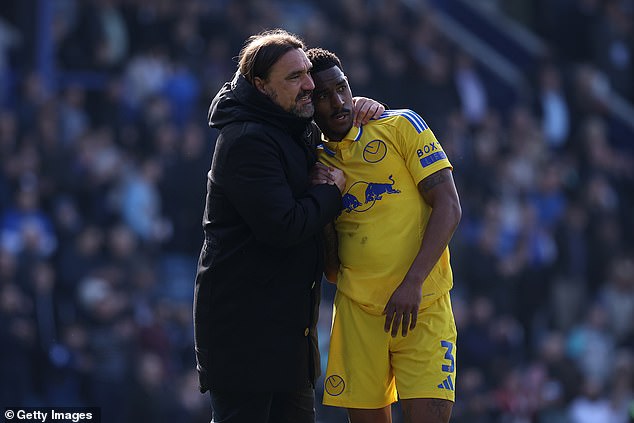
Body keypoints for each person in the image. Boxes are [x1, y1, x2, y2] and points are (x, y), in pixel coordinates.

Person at [193, 29, 384, 423]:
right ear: (261, 86)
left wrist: (361, 107)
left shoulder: (292, 126)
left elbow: (337, 122)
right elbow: (284, 225)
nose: (309, 86)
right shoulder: (246, 140)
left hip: (286, 341)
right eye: (294, 77)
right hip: (245, 342)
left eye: (307, 73)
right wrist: (331, 194)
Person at [307, 47, 462, 423]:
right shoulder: (313, 163)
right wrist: (327, 201)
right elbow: (331, 271)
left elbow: (449, 207)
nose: (338, 101)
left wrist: (412, 283)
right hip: (358, 315)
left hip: (422, 307)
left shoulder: (402, 125)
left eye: (342, 88)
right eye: (323, 96)